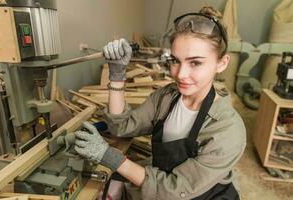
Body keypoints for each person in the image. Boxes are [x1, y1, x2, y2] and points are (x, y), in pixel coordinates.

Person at [73, 6, 246, 200]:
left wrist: (109, 156)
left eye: (195, 63)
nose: (180, 75)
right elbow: (121, 126)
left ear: (222, 63)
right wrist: (116, 74)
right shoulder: (167, 97)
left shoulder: (228, 129)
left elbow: (173, 189)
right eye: (175, 60)